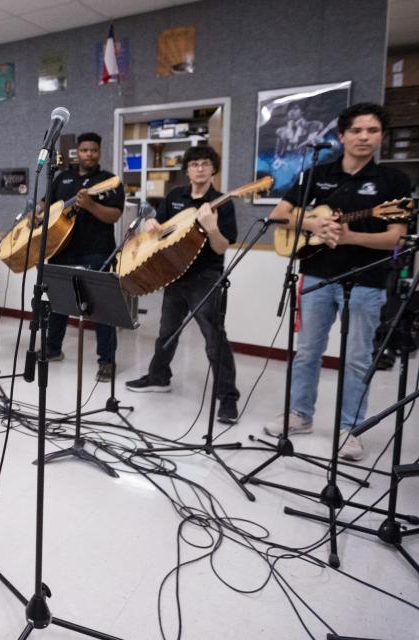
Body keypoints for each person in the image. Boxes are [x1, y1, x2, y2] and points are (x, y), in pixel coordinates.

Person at [264, 102, 411, 461]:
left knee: (358, 358)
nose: (364, 137)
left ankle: (351, 428)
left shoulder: (395, 181)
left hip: (368, 281)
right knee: (307, 352)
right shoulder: (318, 172)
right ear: (342, 135)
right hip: (317, 275)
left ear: (380, 137)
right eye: (357, 130)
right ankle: (300, 415)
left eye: (372, 131)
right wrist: (312, 224)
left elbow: (397, 237)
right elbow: (278, 215)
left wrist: (351, 238)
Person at [125, 146, 240, 423]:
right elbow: (162, 233)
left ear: (213, 169)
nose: (199, 168)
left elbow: (223, 245)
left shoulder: (222, 202)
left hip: (207, 278)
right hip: (174, 276)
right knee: (167, 332)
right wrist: (153, 226)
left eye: (205, 164)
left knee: (214, 339)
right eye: (194, 164)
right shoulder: (176, 196)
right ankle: (159, 377)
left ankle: (227, 397)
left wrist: (211, 227)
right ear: (187, 169)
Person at [43, 132, 125, 382]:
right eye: (84, 150)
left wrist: (90, 205)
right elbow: (50, 205)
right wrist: (40, 212)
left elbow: (114, 216)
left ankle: (107, 361)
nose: (88, 154)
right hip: (61, 249)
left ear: (99, 152)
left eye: (93, 150)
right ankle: (53, 349)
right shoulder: (62, 177)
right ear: (77, 153)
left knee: (102, 308)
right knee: (58, 303)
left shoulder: (110, 181)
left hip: (97, 251)